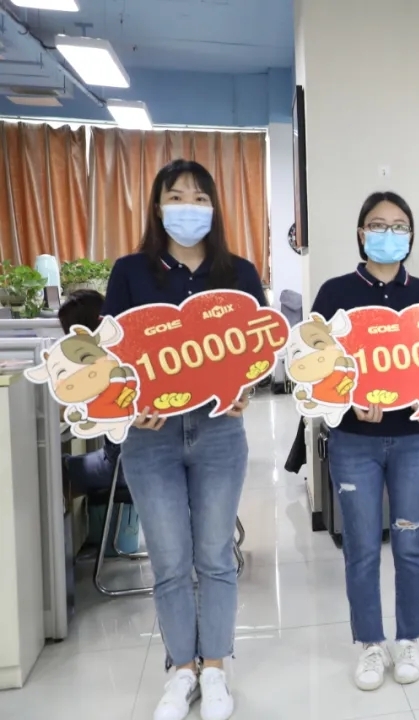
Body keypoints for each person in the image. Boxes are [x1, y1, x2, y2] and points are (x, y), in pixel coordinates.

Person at [103, 159, 263, 720]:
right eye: (176, 197)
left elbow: (257, 349)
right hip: (151, 439)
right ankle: (181, 670)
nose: (188, 208)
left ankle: (214, 667)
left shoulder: (239, 273)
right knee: (170, 558)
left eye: (199, 198)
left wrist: (247, 388)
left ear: (214, 208)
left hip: (219, 431)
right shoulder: (130, 272)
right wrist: (130, 402)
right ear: (157, 206)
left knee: (215, 555)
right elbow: (111, 355)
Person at [310, 191, 419, 691]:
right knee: (362, 548)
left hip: (415, 440)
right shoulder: (335, 293)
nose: (389, 234)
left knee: (410, 544)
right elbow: (317, 368)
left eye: (399, 225)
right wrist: (348, 402)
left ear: (411, 234)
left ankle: (408, 638)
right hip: (354, 442)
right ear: (361, 233)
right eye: (378, 225)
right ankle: (370, 643)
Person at [57, 290, 122, 495]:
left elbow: (69, 412)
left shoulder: (100, 366)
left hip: (120, 466)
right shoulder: (121, 353)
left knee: (54, 468)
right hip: (148, 462)